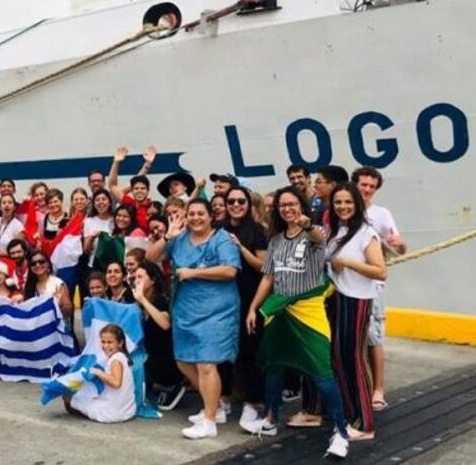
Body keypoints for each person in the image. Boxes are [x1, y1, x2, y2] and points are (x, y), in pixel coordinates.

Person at [243, 186, 350, 459]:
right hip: (279, 311)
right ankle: (271, 419)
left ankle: (341, 432)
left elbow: (318, 236)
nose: (287, 209)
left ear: (301, 206)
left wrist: (307, 224)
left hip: (308, 312)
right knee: (274, 367)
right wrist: (253, 308)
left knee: (321, 371)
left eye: (292, 204)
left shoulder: (314, 234)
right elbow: (268, 277)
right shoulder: (277, 240)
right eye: (282, 206)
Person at [147, 198, 241, 439]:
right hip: (185, 309)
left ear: (211, 216)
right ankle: (215, 406)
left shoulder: (221, 239)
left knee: (206, 363)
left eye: (201, 213)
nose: (196, 218)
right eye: (192, 213)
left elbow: (230, 270)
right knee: (183, 361)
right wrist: (168, 235)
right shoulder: (179, 238)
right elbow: (150, 257)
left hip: (216, 310)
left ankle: (209, 421)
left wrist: (194, 272)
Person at [327, 183, 387, 440]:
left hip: (357, 300)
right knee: (338, 359)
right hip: (338, 299)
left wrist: (349, 263)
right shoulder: (337, 231)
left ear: (358, 204)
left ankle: (364, 423)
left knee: (353, 360)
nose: (343, 207)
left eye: (348, 202)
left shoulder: (366, 233)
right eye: (338, 202)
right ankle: (351, 414)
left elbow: (380, 270)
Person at [351, 166, 405, 411]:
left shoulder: (381, 214)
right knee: (348, 337)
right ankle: (354, 387)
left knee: (374, 337)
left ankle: (378, 389)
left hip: (372, 285)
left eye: (372, 186)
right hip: (344, 283)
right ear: (354, 184)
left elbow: (399, 249)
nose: (367, 190)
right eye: (363, 184)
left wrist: (400, 244)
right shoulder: (342, 209)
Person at [219, 186, 269, 428]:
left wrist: (240, 248)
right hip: (224, 299)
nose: (235, 205)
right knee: (223, 352)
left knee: (250, 351)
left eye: (241, 201)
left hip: (250, 298)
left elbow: (263, 267)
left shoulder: (257, 231)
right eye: (231, 201)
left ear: (249, 205)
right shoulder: (219, 230)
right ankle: (223, 398)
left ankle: (253, 402)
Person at [132, 260, 184, 410]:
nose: (136, 281)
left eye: (140, 277)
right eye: (135, 277)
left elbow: (165, 324)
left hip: (166, 359)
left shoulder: (161, 299)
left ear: (153, 280)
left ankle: (171, 385)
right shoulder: (138, 301)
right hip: (149, 356)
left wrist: (142, 300)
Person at [64, 324, 136, 423]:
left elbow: (116, 383)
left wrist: (98, 372)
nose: (106, 346)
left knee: (67, 398)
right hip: (128, 410)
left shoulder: (116, 359)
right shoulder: (123, 357)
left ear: (120, 343)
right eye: (103, 342)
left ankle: (89, 413)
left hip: (114, 412)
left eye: (110, 342)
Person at [108, 145, 156, 232]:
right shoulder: (128, 203)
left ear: (148, 190)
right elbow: (112, 186)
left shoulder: (153, 207)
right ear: (132, 191)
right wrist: (116, 162)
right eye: (136, 189)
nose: (139, 191)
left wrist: (148, 164)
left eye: (143, 188)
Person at [24, 250, 73, 319]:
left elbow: (69, 310)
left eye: (41, 262)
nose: (37, 265)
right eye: (33, 263)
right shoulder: (29, 286)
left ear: (48, 264)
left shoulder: (58, 283)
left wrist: (58, 305)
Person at [0, 194, 24, 259]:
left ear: (14, 207)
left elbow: (19, 252)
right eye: (3, 203)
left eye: (10, 202)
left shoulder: (18, 226)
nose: (7, 205)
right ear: (0, 207)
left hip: (10, 262)